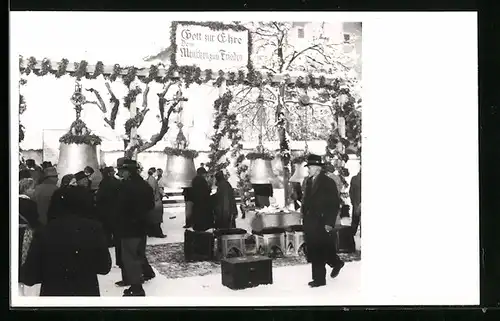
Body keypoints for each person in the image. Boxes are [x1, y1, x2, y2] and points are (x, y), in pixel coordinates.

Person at [21, 187, 112, 296]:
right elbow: (104, 267)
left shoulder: (45, 231)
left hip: (53, 293)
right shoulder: (94, 229)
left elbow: (29, 276)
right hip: (86, 292)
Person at [301, 154, 344, 288]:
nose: (308, 169)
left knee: (319, 249)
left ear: (318, 168)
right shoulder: (308, 181)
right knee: (318, 248)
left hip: (322, 221)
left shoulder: (328, 182)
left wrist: (329, 223)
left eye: (310, 167)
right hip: (310, 221)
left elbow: (334, 204)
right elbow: (306, 201)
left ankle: (319, 279)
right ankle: (336, 263)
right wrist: (303, 214)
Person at [115, 158, 156, 296]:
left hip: (128, 228)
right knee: (138, 256)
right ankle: (138, 281)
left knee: (129, 258)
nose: (120, 173)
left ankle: (136, 288)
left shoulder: (125, 187)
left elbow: (120, 207)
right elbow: (151, 205)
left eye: (121, 171)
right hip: (141, 227)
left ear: (127, 171)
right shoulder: (145, 186)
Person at [19, 178, 41, 281]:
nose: (34, 191)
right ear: (26, 189)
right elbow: (34, 221)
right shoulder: (31, 204)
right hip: (26, 234)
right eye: (32, 188)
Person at [95, 167, 121, 247]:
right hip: (114, 207)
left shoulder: (104, 182)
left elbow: (100, 195)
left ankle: (108, 241)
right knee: (114, 227)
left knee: (107, 228)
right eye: (113, 171)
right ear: (109, 173)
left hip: (106, 208)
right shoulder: (117, 182)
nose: (114, 172)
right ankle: (115, 241)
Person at [190, 167, 213, 231]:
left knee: (197, 218)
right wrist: (210, 186)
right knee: (202, 219)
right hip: (203, 203)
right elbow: (206, 192)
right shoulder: (202, 180)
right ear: (202, 174)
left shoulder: (194, 180)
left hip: (196, 202)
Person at [145, 167, 166, 238]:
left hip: (153, 200)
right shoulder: (152, 180)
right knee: (156, 218)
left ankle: (152, 232)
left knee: (153, 218)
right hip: (155, 200)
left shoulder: (150, 179)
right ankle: (158, 233)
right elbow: (152, 190)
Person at [349, 167, 361, 237]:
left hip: (356, 203)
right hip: (357, 203)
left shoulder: (354, 178)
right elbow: (351, 192)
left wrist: (353, 202)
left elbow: (351, 192)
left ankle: (351, 241)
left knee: (354, 223)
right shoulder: (355, 179)